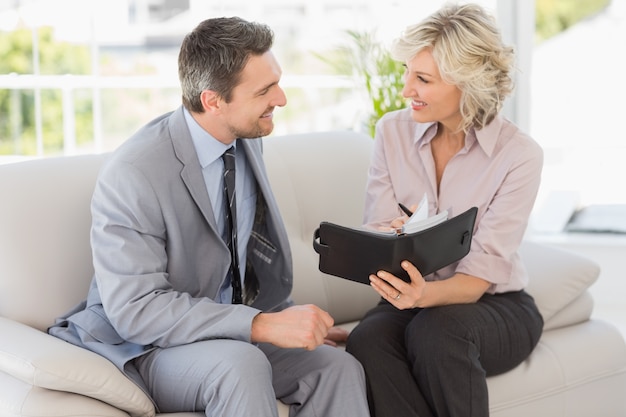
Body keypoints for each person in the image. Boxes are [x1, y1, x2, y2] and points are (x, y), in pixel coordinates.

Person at [48, 16, 369, 417]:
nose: (282, 99)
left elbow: (244, 257)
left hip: (227, 331)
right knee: (240, 364)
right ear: (212, 100)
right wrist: (261, 326)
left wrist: (284, 322)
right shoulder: (136, 173)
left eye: (278, 82)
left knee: (335, 367)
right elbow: (136, 310)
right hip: (148, 345)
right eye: (265, 90)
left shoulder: (244, 139)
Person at [345, 4, 544, 417]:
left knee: (437, 333)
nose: (405, 90)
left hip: (494, 307)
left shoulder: (519, 155)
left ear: (468, 84)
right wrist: (392, 240)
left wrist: (422, 294)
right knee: (367, 339)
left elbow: (475, 281)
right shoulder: (392, 132)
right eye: (407, 72)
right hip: (412, 301)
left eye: (422, 79)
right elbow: (378, 228)